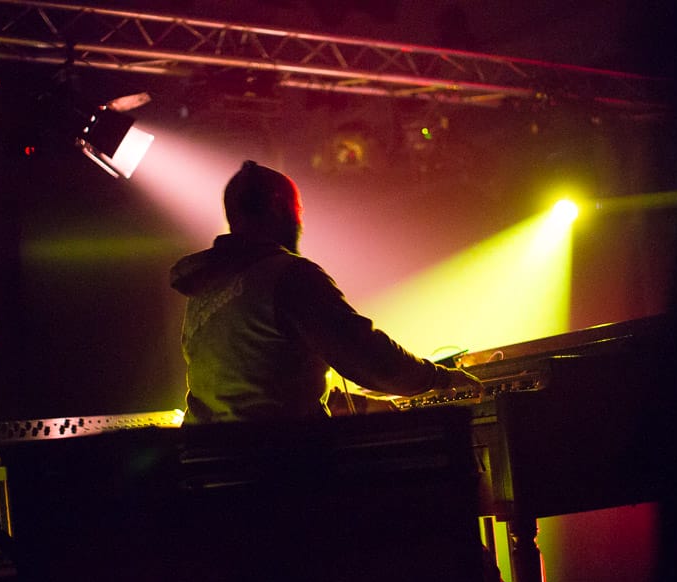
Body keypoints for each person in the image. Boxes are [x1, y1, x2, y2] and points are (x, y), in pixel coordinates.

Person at [169, 160, 481, 424]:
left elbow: (254, 387)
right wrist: (438, 378)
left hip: (212, 465)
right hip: (279, 465)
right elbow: (366, 355)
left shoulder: (203, 293)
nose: (300, 221)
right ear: (279, 206)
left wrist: (358, 403)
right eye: (298, 209)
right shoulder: (287, 274)